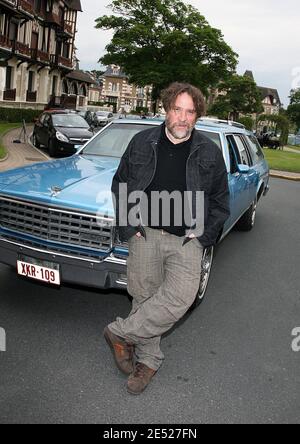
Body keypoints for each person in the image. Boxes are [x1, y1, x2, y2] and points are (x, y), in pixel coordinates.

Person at [104, 82, 230, 395]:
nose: (183, 118)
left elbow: (220, 201)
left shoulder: (210, 153)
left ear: (198, 116)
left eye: (190, 112)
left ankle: (119, 333)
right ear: (166, 109)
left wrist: (204, 236)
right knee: (144, 297)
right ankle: (148, 361)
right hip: (144, 232)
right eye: (178, 109)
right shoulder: (141, 142)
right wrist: (128, 224)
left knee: (181, 297)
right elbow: (121, 183)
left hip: (187, 239)